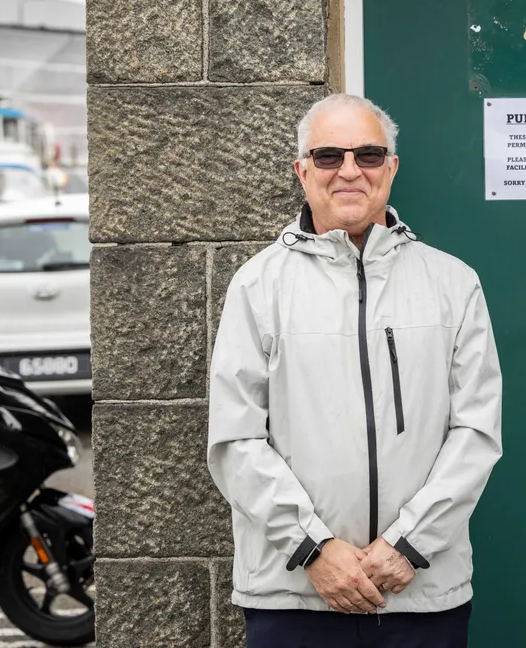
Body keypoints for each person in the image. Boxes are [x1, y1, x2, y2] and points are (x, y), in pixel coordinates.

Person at [207, 94, 503, 648]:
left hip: (422, 592)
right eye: (327, 157)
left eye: (368, 155)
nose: (349, 171)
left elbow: (477, 431)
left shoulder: (453, 284)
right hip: (294, 595)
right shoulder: (258, 285)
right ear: (302, 171)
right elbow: (235, 439)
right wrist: (314, 550)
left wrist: (410, 544)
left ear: (391, 168)